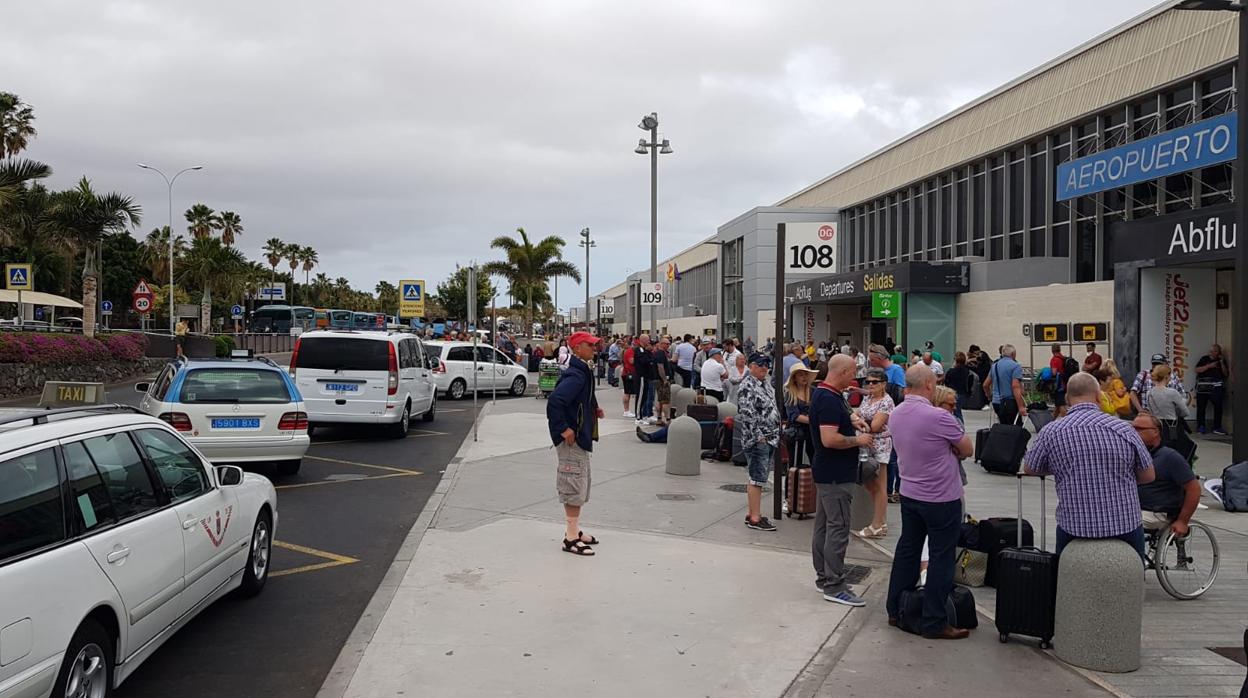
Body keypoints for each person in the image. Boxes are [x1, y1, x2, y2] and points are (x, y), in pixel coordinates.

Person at [883, 364, 973, 640]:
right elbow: (967, 448)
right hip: (941, 497)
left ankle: (895, 609)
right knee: (941, 558)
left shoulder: (895, 414)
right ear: (930, 386)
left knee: (907, 551)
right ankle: (934, 621)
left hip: (911, 492)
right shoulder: (938, 417)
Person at [1025, 373, 1155, 559]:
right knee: (1133, 574)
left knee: (1063, 576)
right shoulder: (1124, 429)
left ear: (1068, 399)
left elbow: (1030, 468)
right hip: (1124, 525)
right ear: (1098, 396)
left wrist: (1060, 467)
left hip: (1074, 527)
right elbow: (1148, 475)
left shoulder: (1051, 431)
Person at [809, 354, 874, 607]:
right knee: (838, 528)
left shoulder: (829, 395)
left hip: (829, 472)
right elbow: (829, 439)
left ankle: (825, 577)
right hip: (835, 474)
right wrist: (859, 440)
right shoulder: (828, 399)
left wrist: (852, 419)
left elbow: (838, 420)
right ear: (843, 371)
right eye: (853, 372)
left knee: (825, 526)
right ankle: (834, 584)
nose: (855, 376)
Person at [546, 332, 604, 557]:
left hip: (580, 436)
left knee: (580, 483)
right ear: (577, 348)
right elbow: (555, 401)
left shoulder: (583, 370)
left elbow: (584, 397)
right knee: (573, 485)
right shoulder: (577, 374)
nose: (594, 349)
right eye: (590, 345)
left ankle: (574, 530)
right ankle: (570, 538)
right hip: (573, 438)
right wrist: (563, 429)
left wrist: (594, 408)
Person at [1133, 413, 1201, 537]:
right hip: (1134, 508)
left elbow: (1194, 489)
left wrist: (1182, 521)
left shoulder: (1170, 457)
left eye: (1140, 429)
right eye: (1133, 428)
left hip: (1157, 512)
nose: (1134, 432)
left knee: (1124, 524)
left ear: (1155, 432)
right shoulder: (1134, 454)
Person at [738, 353, 781, 532]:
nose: (765, 367)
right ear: (751, 366)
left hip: (770, 438)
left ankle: (752, 513)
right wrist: (759, 437)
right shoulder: (747, 386)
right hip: (758, 440)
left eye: (767, 364)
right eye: (760, 364)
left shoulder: (765, 384)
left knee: (757, 477)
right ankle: (756, 517)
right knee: (757, 479)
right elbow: (748, 415)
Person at [852, 367, 893, 540]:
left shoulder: (886, 401)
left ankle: (877, 525)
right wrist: (859, 420)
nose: (870, 385)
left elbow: (875, 426)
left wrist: (859, 421)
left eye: (874, 382)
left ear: (883, 384)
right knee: (870, 483)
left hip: (880, 445)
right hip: (865, 445)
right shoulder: (868, 398)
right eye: (867, 382)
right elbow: (856, 414)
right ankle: (880, 521)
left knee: (879, 485)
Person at [867, 344, 906, 503]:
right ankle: (888, 489)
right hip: (881, 422)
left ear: (878, 357)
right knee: (888, 460)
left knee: (895, 458)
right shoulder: (880, 373)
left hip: (893, 419)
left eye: (871, 357)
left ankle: (896, 490)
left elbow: (902, 392)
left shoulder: (895, 370)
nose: (869, 361)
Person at [983, 344, 1027, 426]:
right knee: (1015, 428)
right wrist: (1021, 406)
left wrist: (989, 396)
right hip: (1010, 402)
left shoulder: (994, 366)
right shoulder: (1015, 366)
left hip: (996, 402)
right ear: (1013, 354)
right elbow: (1015, 386)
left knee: (1003, 428)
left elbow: (985, 385)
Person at [784, 364, 818, 468]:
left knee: (814, 461)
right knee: (795, 464)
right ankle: (793, 484)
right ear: (795, 378)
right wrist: (815, 420)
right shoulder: (790, 393)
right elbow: (794, 415)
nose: (804, 377)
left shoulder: (814, 391)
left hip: (811, 432)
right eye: (801, 375)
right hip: (795, 433)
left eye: (805, 375)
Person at [1194, 344, 1230, 435]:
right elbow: (1197, 369)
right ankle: (1201, 426)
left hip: (1216, 386)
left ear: (1218, 353)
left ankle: (1217, 427)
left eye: (1215, 351)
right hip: (1204, 387)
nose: (1212, 353)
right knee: (1201, 407)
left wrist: (1221, 362)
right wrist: (1208, 366)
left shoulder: (1221, 361)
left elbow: (1225, 374)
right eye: (1211, 351)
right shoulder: (1204, 359)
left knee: (1218, 406)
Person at [942, 352, 973, 425]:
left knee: (956, 412)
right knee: (957, 410)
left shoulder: (951, 371)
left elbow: (946, 381)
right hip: (963, 393)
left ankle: (960, 427)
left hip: (953, 393)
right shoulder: (968, 371)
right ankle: (959, 426)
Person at [634, 335, 656, 424]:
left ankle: (644, 415)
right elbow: (645, 361)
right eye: (647, 340)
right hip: (641, 376)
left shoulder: (646, 351)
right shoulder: (639, 350)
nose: (649, 342)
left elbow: (651, 359)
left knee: (645, 396)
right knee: (640, 396)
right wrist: (649, 361)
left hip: (646, 376)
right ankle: (638, 417)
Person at [652, 337, 674, 426]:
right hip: (662, 380)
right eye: (667, 344)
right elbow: (660, 367)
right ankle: (668, 419)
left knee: (660, 400)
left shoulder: (658, 353)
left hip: (657, 379)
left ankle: (659, 418)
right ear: (662, 344)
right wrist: (665, 379)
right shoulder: (660, 354)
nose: (669, 346)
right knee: (665, 401)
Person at [1048, 343, 1068, 417]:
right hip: (1065, 383)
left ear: (1052, 350)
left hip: (1059, 385)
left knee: (1061, 404)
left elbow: (1054, 372)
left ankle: (1066, 422)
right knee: (1058, 404)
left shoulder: (1054, 359)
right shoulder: (1064, 358)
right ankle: (1051, 422)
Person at [620, 339, 637, 418]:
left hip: (627, 373)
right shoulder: (630, 351)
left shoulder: (627, 351)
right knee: (627, 392)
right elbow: (631, 361)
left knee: (628, 392)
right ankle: (626, 410)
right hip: (628, 374)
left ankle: (627, 410)